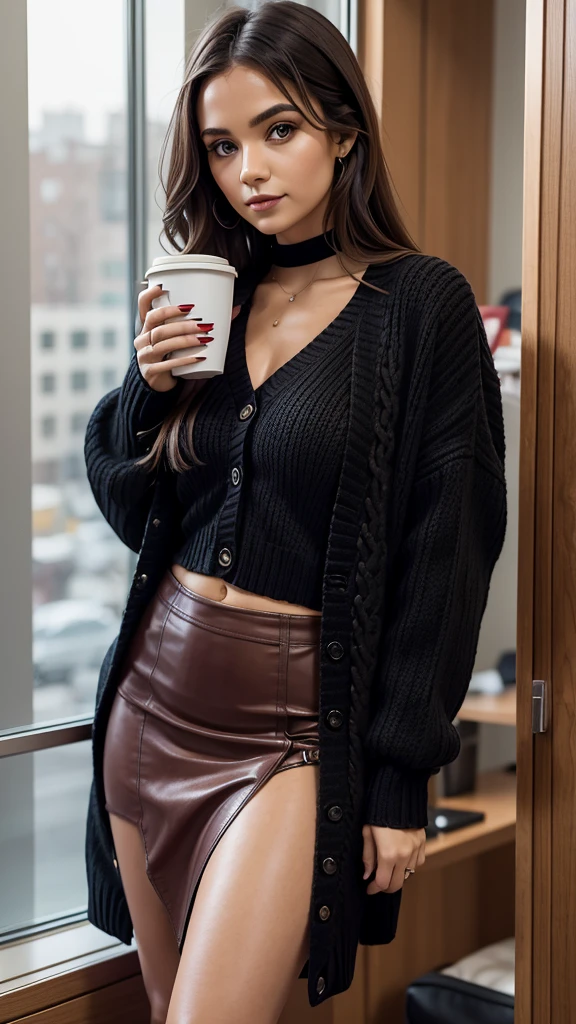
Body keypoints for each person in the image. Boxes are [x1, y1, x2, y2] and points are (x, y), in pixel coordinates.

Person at [83, 2, 508, 1021]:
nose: (248, 172)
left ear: (343, 130)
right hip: (151, 698)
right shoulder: (210, 289)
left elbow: (448, 553)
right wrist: (147, 385)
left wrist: (402, 777)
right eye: (222, 146)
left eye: (278, 131)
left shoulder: (421, 306)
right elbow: (124, 496)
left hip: (291, 734)